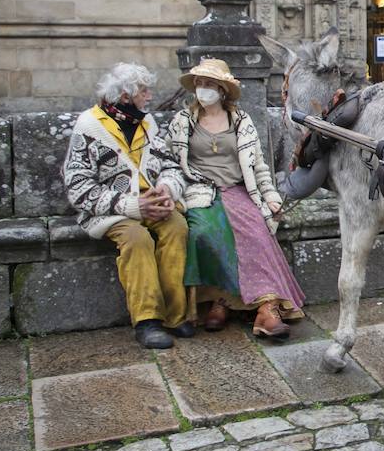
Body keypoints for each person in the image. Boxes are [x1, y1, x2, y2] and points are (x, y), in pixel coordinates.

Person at [166, 59, 306, 340]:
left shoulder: (241, 121)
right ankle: (220, 301)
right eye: (199, 84)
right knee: (204, 234)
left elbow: (258, 166)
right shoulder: (182, 122)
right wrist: (170, 193)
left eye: (208, 84)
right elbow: (169, 163)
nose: (202, 89)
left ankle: (267, 309)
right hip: (199, 192)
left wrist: (270, 197)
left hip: (239, 190)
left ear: (222, 89)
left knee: (257, 232)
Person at [63, 63, 191, 349]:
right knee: (137, 239)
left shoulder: (147, 124)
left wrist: (167, 189)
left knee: (178, 227)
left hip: (153, 204)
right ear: (125, 96)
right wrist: (134, 207)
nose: (149, 96)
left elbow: (169, 164)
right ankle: (147, 321)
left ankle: (176, 315)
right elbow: (79, 189)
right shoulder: (89, 126)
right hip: (112, 211)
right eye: (143, 91)